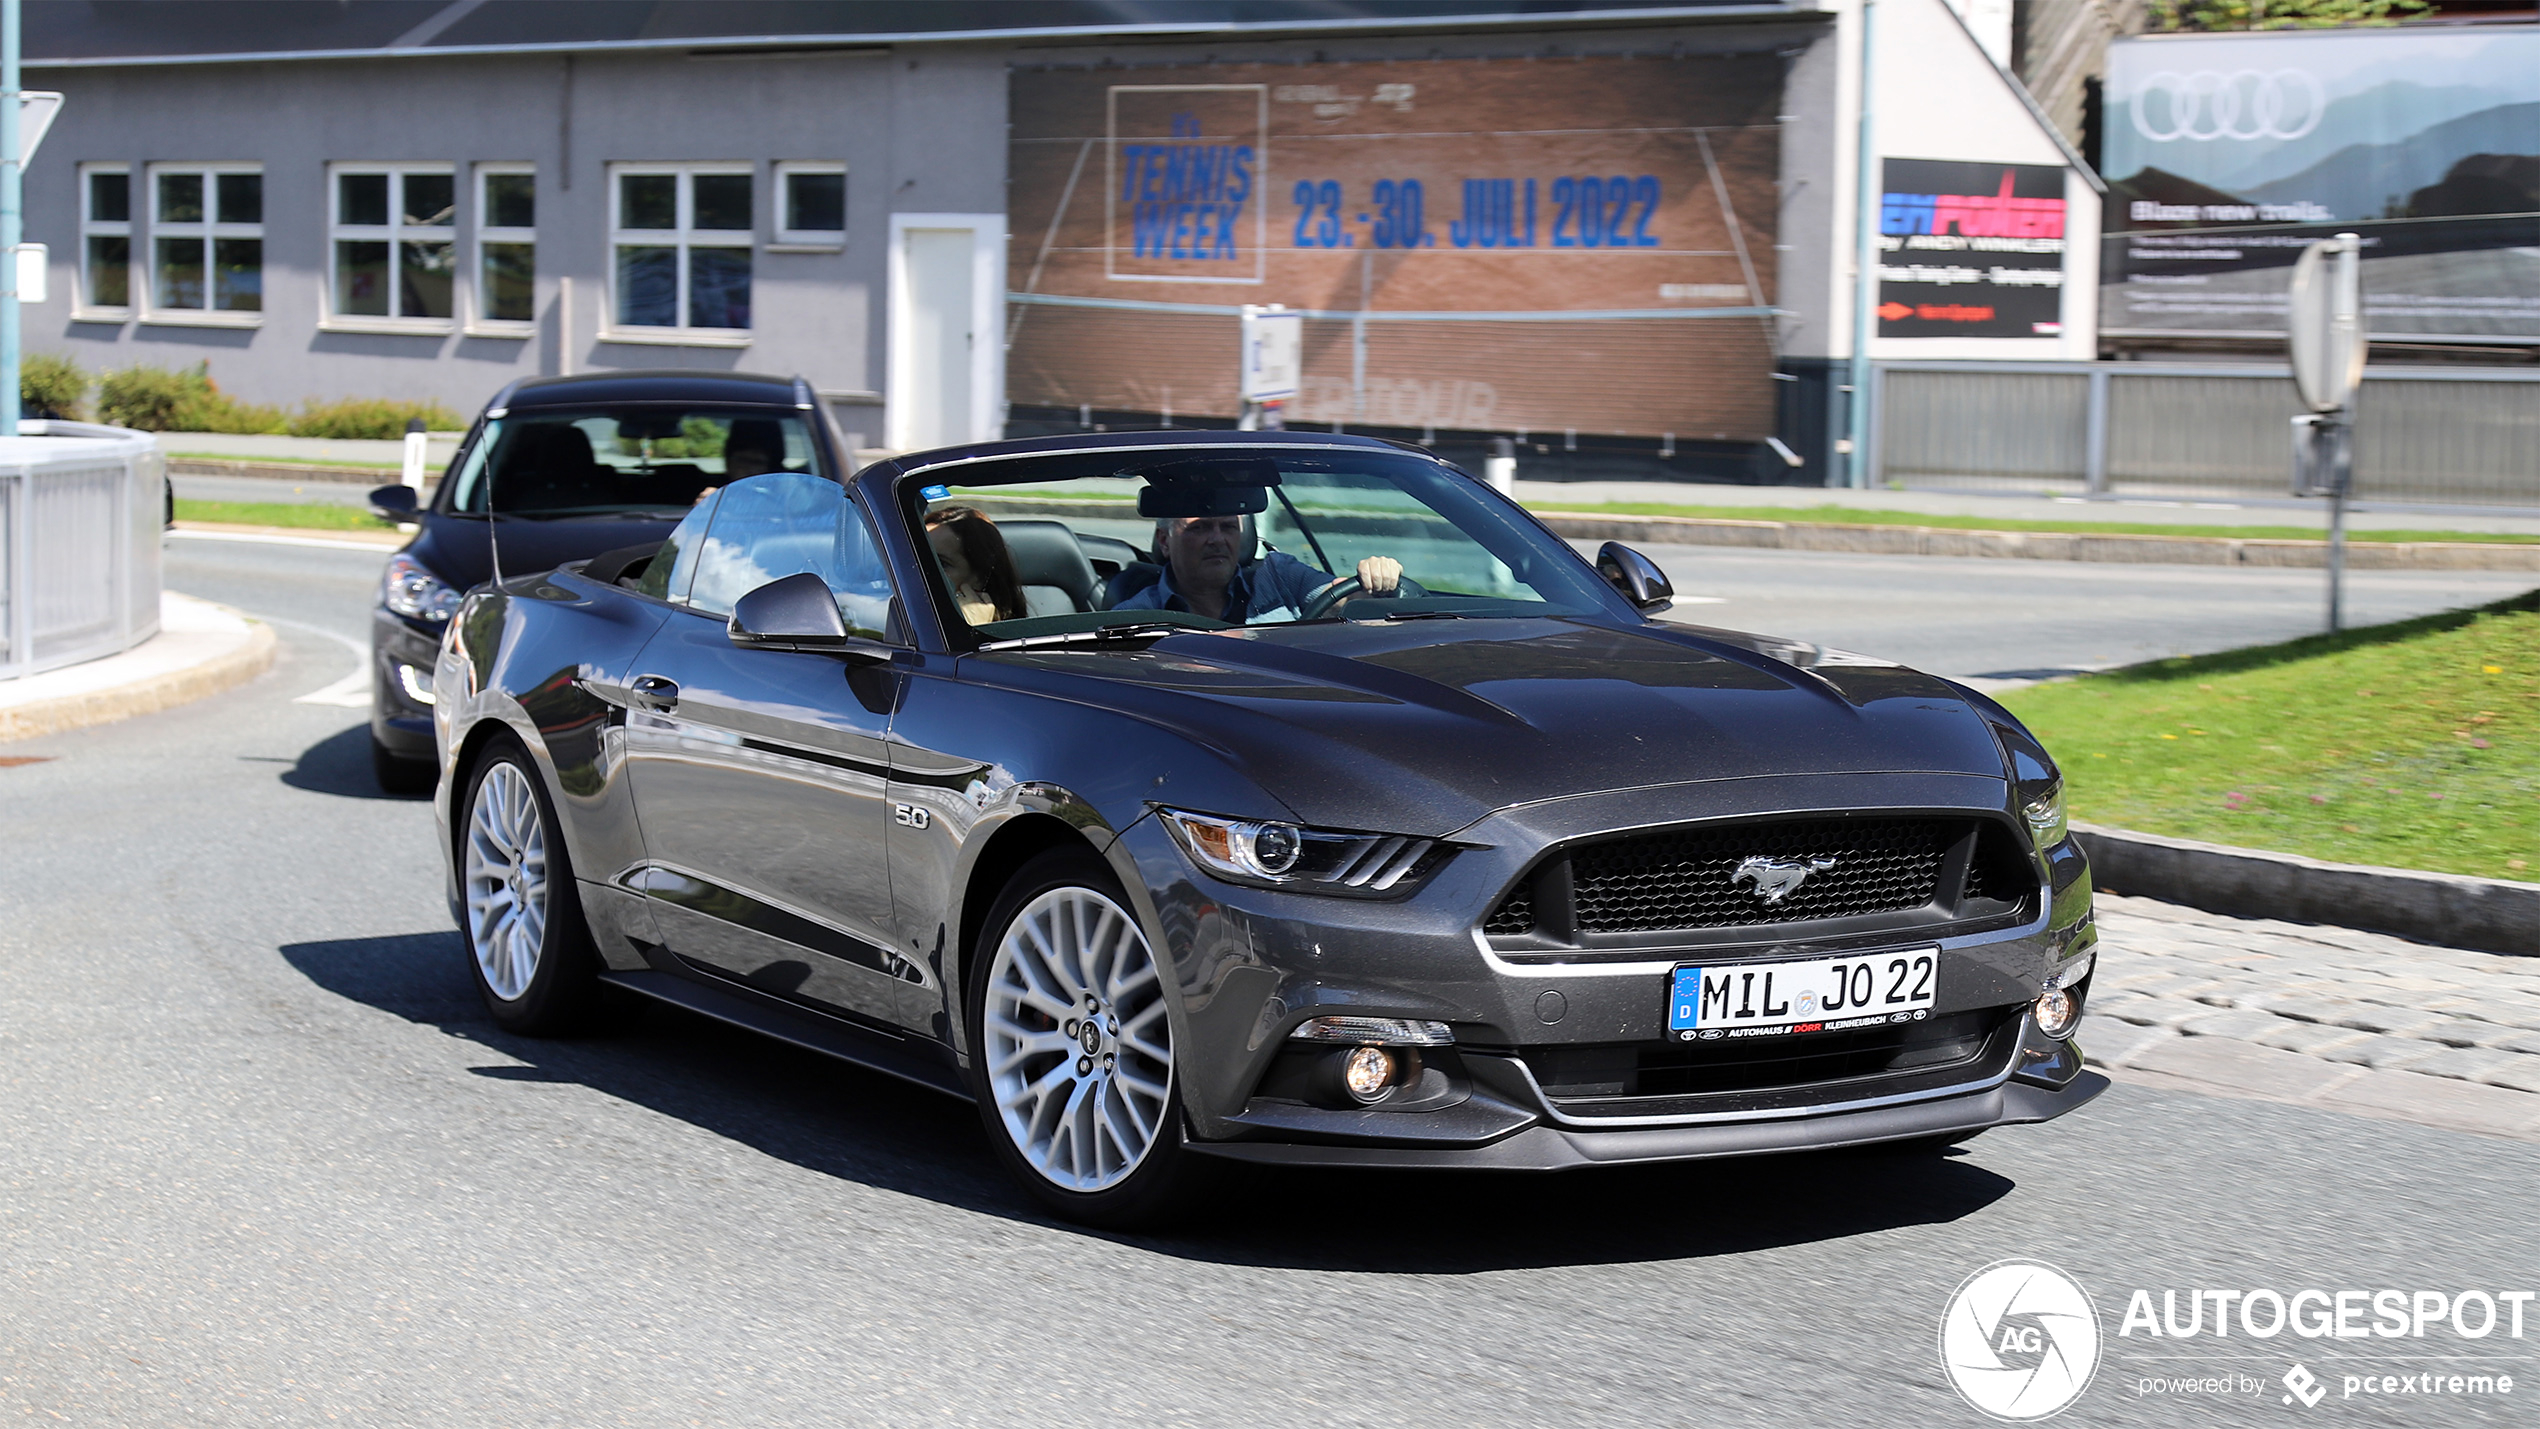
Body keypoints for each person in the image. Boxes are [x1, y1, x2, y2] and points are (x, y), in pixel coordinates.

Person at [1113, 512, 1401, 624]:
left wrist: (1375, 579)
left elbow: (1338, 599)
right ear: (1164, 540)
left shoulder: (1278, 574)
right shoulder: (1134, 618)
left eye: (1227, 527)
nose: (1217, 539)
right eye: (1199, 528)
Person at [925, 506, 1028, 625]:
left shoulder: (1018, 638)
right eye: (915, 558)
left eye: (941, 563)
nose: (919, 570)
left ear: (981, 578)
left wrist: (973, 629)